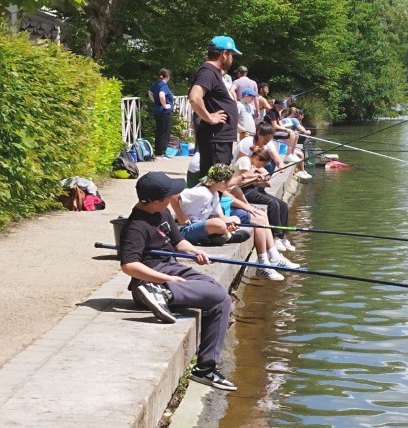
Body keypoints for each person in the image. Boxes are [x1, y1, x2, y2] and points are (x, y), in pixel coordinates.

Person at [118, 171, 236, 391]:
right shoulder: (136, 226)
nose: (174, 198)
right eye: (169, 196)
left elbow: (178, 241)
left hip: (172, 268)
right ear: (154, 201)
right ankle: (163, 292)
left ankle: (204, 367)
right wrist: (166, 280)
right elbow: (129, 265)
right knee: (220, 298)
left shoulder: (162, 212)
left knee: (218, 295)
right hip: (151, 278)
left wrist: (194, 251)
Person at [189, 36, 242, 177]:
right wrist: (209, 118)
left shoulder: (212, 72)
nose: (232, 59)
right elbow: (194, 97)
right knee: (215, 182)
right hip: (215, 139)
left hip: (219, 139)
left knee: (219, 182)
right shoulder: (208, 72)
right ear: (224, 54)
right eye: (231, 55)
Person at [169, 163, 251, 248]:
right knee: (218, 224)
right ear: (222, 183)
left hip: (198, 226)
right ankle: (229, 237)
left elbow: (220, 217)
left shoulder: (215, 194)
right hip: (183, 229)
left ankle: (220, 235)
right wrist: (181, 216)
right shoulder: (202, 192)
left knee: (235, 219)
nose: (229, 186)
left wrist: (231, 223)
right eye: (229, 182)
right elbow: (173, 195)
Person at [235, 145, 296, 252]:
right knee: (273, 203)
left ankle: (283, 236)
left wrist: (262, 181)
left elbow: (254, 180)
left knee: (283, 205)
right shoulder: (245, 161)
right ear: (257, 158)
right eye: (263, 164)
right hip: (244, 191)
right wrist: (256, 179)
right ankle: (276, 236)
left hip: (252, 189)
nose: (263, 166)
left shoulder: (253, 163)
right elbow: (241, 181)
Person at [147, 68, 174, 158]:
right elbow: (161, 95)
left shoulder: (156, 83)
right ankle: (162, 152)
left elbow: (150, 92)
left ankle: (158, 152)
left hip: (157, 110)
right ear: (168, 76)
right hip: (164, 112)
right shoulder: (163, 85)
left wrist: (155, 101)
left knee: (159, 131)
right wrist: (165, 105)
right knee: (165, 132)